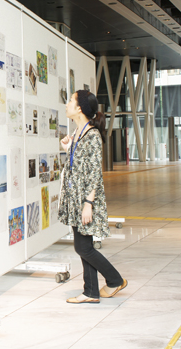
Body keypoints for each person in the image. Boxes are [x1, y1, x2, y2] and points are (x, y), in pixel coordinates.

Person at [59, 90, 127, 304]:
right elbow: (79, 164)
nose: (67, 104)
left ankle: (115, 280)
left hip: (85, 199)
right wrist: (68, 148)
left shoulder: (92, 135)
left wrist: (88, 203)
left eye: (71, 100)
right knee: (84, 246)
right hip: (75, 197)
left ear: (79, 108)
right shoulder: (78, 132)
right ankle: (91, 291)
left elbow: (95, 173)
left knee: (83, 247)